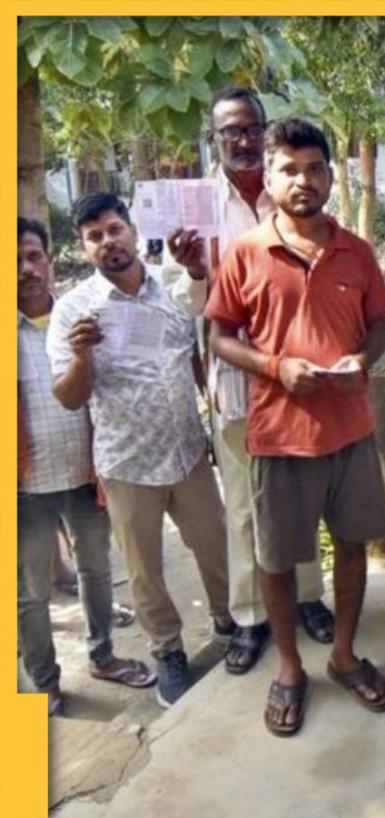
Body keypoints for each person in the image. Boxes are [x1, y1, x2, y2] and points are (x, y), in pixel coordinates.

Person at [205, 118, 385, 736]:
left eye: (315, 168)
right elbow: (219, 337)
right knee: (279, 561)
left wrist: (361, 360)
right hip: (278, 435)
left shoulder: (357, 252)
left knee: (351, 546)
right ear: (271, 175)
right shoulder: (245, 252)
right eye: (289, 169)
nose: (303, 180)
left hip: (351, 432)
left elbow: (379, 327)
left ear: (331, 177)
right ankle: (288, 666)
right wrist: (274, 367)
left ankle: (343, 654)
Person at [166, 86, 335, 675]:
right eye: (228, 131)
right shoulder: (195, 207)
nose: (241, 140)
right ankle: (249, 616)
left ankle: (310, 598)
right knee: (242, 505)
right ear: (213, 140)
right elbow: (181, 304)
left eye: (250, 128)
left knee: (302, 500)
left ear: (266, 131)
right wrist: (193, 272)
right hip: (237, 385)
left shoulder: (291, 187)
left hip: (298, 380)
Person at [46, 195, 232, 708]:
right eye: (95, 236)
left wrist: (214, 426)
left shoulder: (169, 291)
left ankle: (229, 622)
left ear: (131, 231)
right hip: (128, 463)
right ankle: (168, 651)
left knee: (215, 545)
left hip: (188, 452)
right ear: (85, 249)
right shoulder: (73, 311)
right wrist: (83, 355)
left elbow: (196, 353)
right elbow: (68, 397)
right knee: (145, 569)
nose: (109, 241)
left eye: (114, 229)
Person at [18, 218, 156, 716]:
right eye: (13, 262)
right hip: (24, 485)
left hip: (87, 474)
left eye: (33, 256)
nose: (25, 270)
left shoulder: (81, 314)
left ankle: (103, 656)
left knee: (97, 572)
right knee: (31, 593)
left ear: (50, 258)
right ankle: (45, 679)